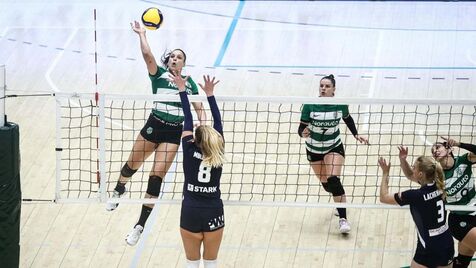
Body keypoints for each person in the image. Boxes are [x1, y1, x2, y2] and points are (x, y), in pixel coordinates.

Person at [106, 20, 206, 246]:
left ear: (184, 63)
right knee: (131, 165)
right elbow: (147, 55)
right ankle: (119, 188)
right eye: (172, 56)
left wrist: (203, 126)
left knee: (156, 177)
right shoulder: (158, 74)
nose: (174, 58)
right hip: (154, 125)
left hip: (173, 133)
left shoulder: (189, 85)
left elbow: (199, 108)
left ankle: (139, 225)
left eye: (179, 57)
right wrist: (142, 34)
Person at [298, 74, 369, 233]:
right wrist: (303, 133)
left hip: (333, 146)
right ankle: (339, 200)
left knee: (334, 179)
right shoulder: (310, 105)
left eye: (327, 86)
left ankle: (343, 219)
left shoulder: (340, 105)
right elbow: (300, 129)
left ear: (333, 89)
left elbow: (347, 118)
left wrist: (356, 134)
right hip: (313, 149)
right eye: (321, 86)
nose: (323, 88)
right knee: (327, 185)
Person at [172, 73, 225, 268]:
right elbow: (217, 123)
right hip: (213, 210)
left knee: (191, 263)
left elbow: (187, 116)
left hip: (190, 211)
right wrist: (210, 94)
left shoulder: (188, 148)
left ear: (195, 139)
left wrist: (182, 90)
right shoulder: (218, 151)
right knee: (211, 263)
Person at [399, 137, 476, 268]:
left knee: (461, 263)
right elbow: (411, 176)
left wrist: (459, 144)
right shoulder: (437, 177)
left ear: (449, 148)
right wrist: (403, 161)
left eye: (438, 147)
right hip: (460, 220)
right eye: (433, 150)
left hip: (474, 211)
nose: (435, 150)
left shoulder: (464, 161)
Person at [378, 156, 454, 268]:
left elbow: (383, 197)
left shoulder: (414, 196)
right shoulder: (439, 185)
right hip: (447, 242)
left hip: (429, 246)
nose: (412, 169)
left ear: (421, 174)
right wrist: (403, 160)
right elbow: (410, 175)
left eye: (414, 168)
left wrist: (385, 173)